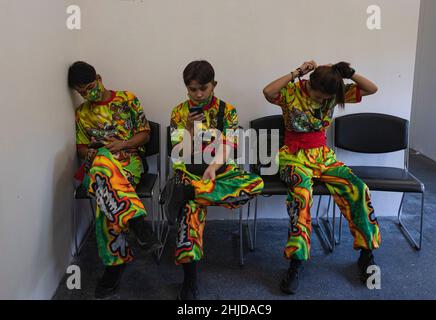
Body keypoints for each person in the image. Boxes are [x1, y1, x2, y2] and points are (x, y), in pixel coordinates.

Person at [263, 60, 380, 294]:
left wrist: (350, 73)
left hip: (323, 158)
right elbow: (268, 91)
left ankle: (366, 254)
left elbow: (372, 89)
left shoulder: (334, 93)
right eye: (319, 96)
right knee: (301, 196)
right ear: (310, 84)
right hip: (293, 158)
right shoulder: (292, 92)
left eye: (327, 98)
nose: (323, 101)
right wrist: (296, 72)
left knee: (359, 188)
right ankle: (296, 262)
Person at [166, 60, 264, 300]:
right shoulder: (179, 112)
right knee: (190, 213)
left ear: (214, 85)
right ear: (186, 88)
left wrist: (213, 167)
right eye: (192, 89)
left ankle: (189, 192)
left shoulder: (227, 110)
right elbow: (179, 151)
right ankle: (189, 280)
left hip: (219, 169)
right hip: (188, 170)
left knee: (255, 183)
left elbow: (229, 144)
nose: (198, 94)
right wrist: (188, 128)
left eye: (204, 88)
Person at [68, 61, 162, 299]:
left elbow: (144, 134)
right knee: (102, 171)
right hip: (100, 165)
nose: (88, 94)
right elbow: (80, 148)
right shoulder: (81, 113)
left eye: (90, 87)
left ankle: (114, 266)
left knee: (104, 194)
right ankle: (137, 222)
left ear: (99, 78)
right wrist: (95, 150)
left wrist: (122, 144)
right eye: (82, 92)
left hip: (129, 162)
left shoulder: (127, 99)